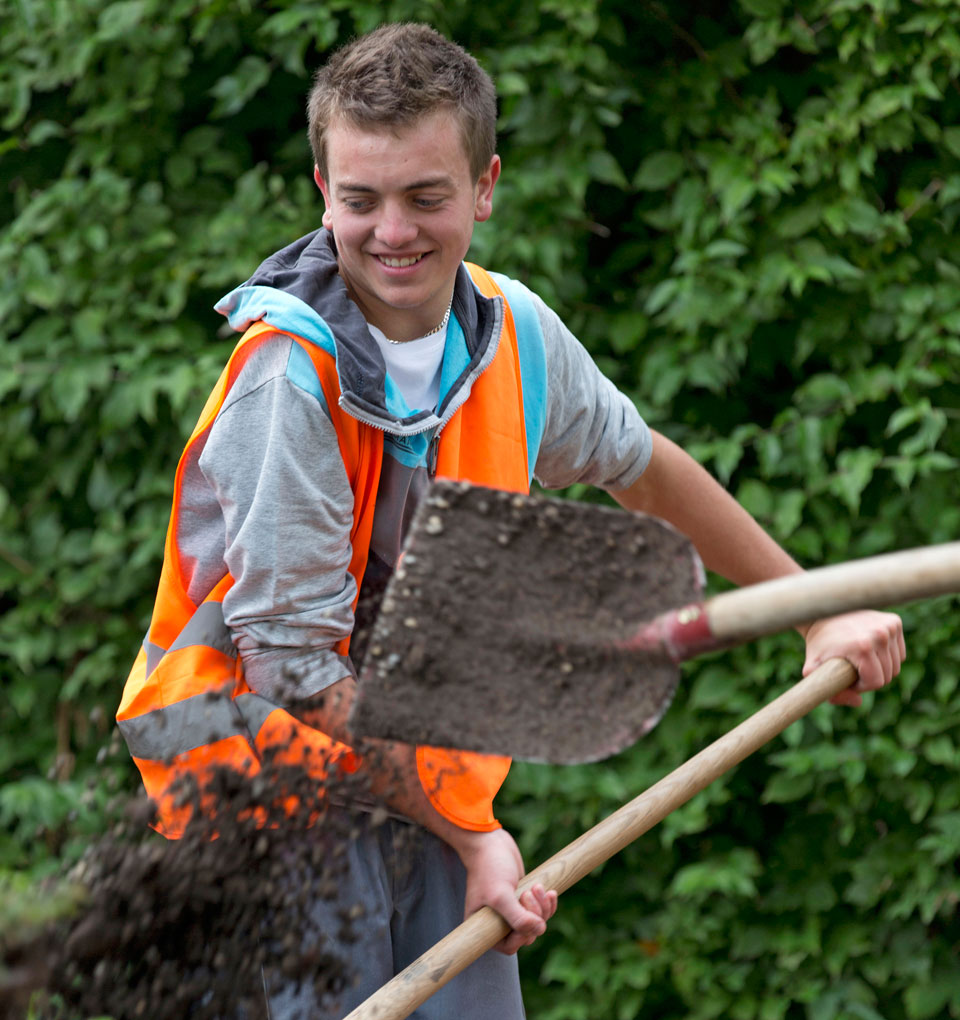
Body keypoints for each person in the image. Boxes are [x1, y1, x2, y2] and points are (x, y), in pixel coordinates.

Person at [117, 22, 905, 1019]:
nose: (391, 229)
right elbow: (297, 672)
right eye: (360, 199)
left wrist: (811, 608)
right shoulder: (290, 377)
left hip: (425, 783)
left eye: (426, 196)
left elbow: (645, 467)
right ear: (323, 193)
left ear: (485, 188)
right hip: (267, 804)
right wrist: (473, 837)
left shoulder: (514, 334)